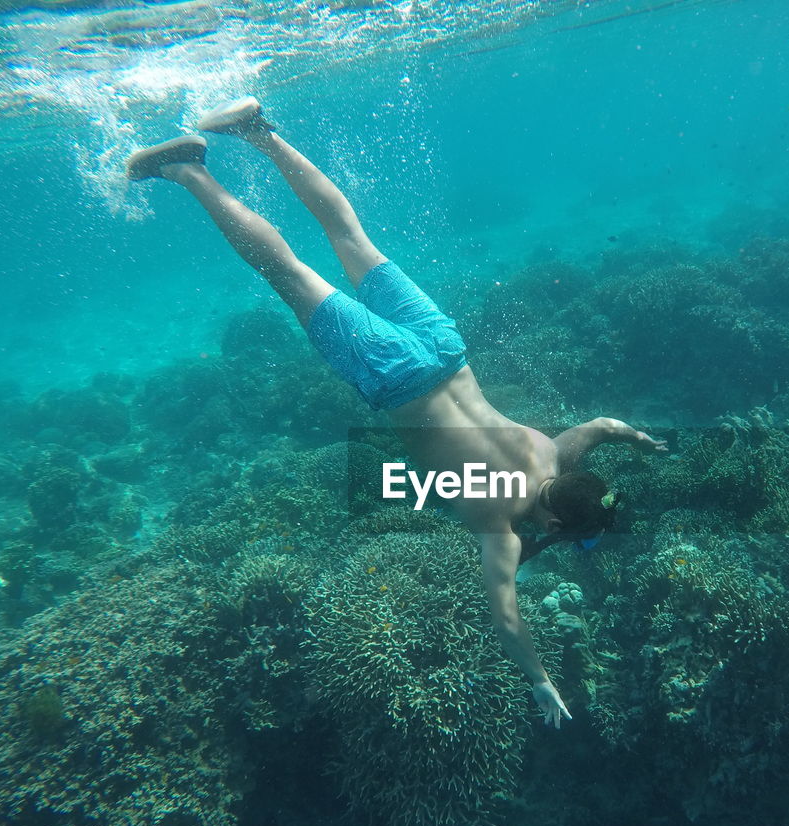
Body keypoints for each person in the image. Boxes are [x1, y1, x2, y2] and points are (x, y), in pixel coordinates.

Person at [126, 97, 668, 728]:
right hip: (393, 375)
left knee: (350, 237)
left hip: (445, 346)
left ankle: (256, 131)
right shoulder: (501, 525)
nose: (552, 538)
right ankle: (186, 170)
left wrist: (639, 443)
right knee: (288, 270)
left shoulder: (557, 451)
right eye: (561, 532)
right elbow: (505, 614)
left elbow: (604, 426)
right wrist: (541, 681)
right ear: (552, 515)